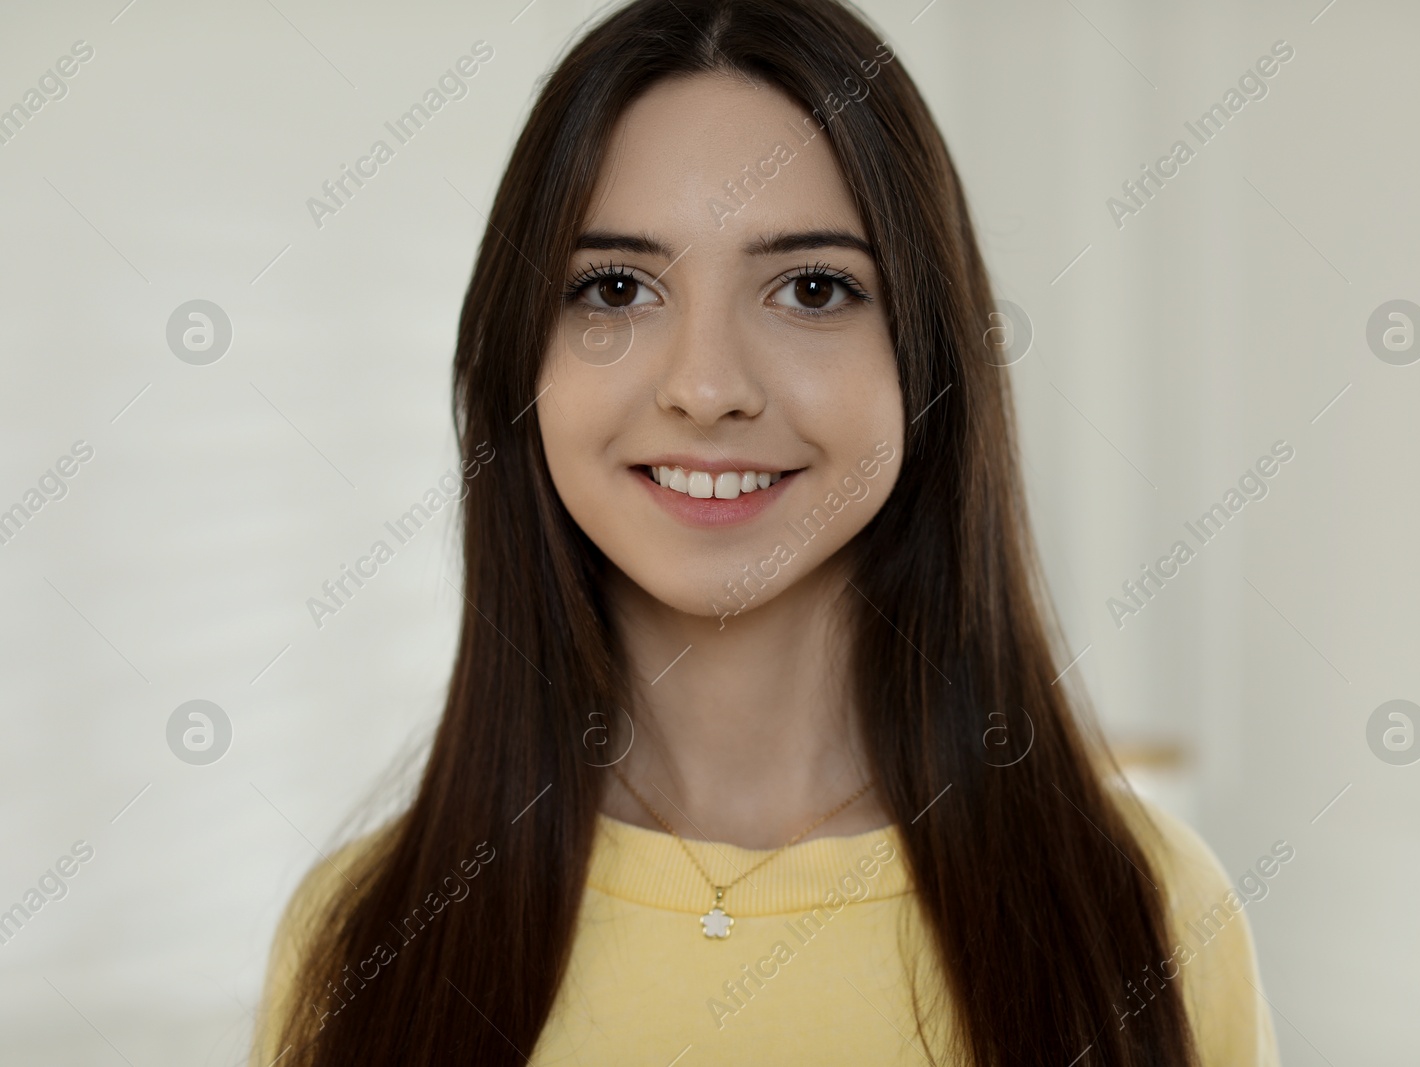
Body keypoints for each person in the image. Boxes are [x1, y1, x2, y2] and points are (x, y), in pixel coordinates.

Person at [250, 0, 1280, 1063]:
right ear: (520, 364)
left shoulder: (1143, 913)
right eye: (615, 287)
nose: (705, 386)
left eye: (811, 287)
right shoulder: (362, 937)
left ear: (925, 364)